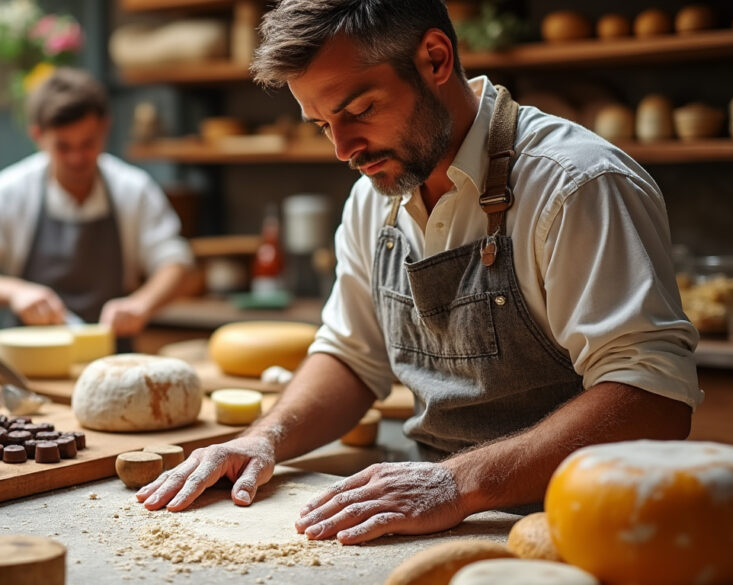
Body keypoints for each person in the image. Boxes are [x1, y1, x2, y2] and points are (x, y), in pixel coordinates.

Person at [137, 0, 700, 545]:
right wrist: (265, 439)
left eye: (359, 111)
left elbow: (651, 395)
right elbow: (353, 358)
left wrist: (457, 482)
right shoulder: (373, 197)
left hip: (580, 525)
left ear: (435, 59)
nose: (343, 149)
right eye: (321, 124)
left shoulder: (574, 184)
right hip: (435, 511)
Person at [0, 68, 193, 345]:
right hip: (32, 363)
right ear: (38, 135)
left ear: (105, 128)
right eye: (63, 147)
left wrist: (141, 304)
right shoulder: (9, 192)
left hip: (111, 360)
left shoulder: (133, 189)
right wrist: (15, 292)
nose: (77, 158)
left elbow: (176, 263)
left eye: (88, 143)